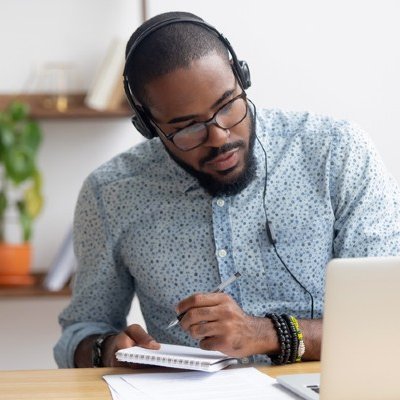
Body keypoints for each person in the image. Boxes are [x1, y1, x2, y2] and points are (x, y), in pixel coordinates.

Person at [54, 11, 400, 368]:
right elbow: (81, 332)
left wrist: (265, 334)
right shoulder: (110, 193)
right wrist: (107, 350)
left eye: (227, 105)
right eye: (187, 127)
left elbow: (387, 321)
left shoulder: (337, 153)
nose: (219, 137)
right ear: (148, 126)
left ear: (242, 78)